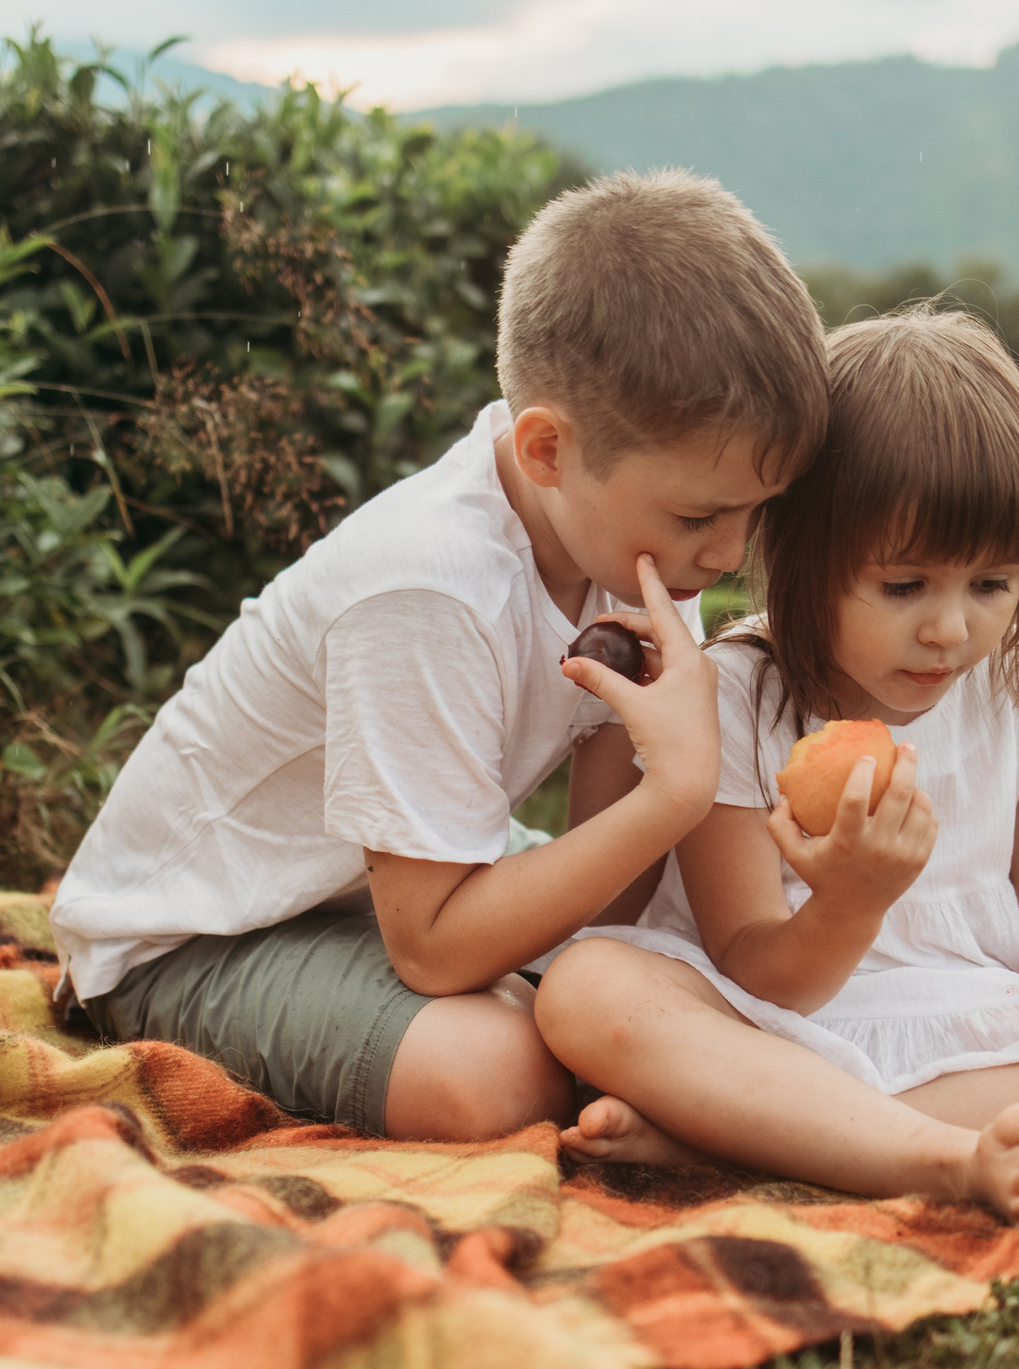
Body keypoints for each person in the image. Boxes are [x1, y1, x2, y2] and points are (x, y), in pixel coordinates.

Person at [50, 170, 829, 1141]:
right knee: (492, 1075)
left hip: (384, 897)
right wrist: (671, 794)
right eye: (703, 517)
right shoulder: (428, 589)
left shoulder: (638, 542)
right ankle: (655, 1103)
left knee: (686, 957)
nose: (728, 554)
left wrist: (653, 802)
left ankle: (674, 1108)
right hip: (202, 935)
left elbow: (609, 911)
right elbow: (431, 952)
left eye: (758, 513)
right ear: (545, 450)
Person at [531, 304, 1019, 1232]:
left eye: (993, 583)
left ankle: (738, 1140)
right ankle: (933, 1157)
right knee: (590, 988)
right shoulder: (736, 696)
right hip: (760, 1026)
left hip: (967, 1025)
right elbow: (756, 968)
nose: (952, 629)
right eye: (904, 587)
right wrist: (851, 902)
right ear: (804, 559)